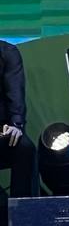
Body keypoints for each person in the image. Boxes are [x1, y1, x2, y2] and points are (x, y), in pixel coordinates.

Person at [0, 40, 37, 199]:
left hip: (2, 128)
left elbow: (15, 92)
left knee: (24, 147)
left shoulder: (7, 52)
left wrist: (16, 125)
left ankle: (20, 208)